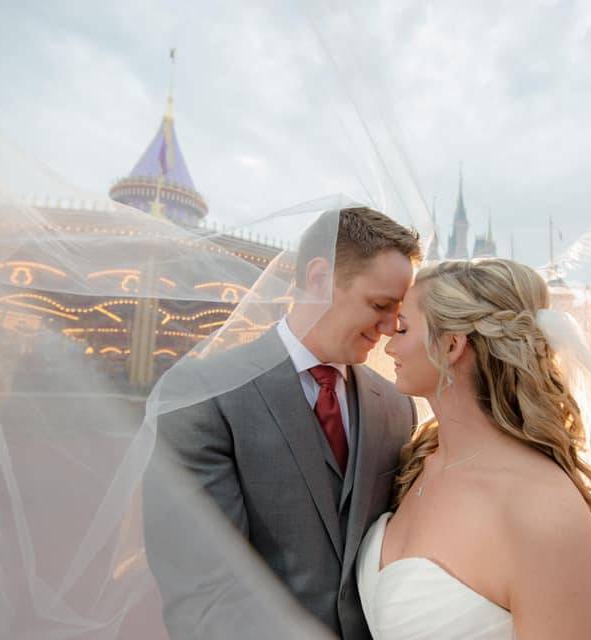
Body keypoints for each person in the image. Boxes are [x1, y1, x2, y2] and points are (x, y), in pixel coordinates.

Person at [143, 206, 421, 640]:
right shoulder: (202, 394)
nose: (389, 328)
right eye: (380, 305)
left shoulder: (397, 407)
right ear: (318, 277)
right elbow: (205, 593)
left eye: (397, 312)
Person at [357, 258, 591, 639]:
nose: (390, 341)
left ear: (451, 345)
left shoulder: (541, 507)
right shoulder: (416, 462)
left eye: (403, 327)